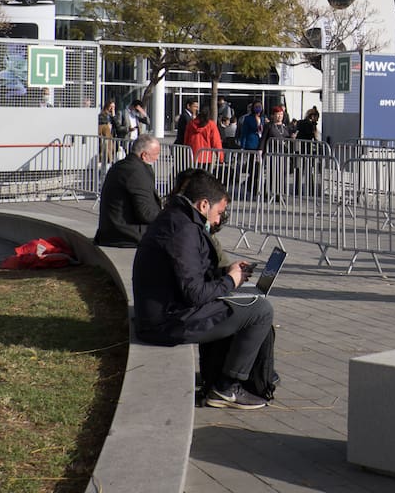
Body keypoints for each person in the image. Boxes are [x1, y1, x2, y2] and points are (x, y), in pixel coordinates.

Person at [132, 170, 275, 410]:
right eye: (219, 213)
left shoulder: (177, 218)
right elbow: (195, 294)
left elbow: (189, 275)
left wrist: (226, 273)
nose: (218, 221)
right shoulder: (184, 230)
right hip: (166, 322)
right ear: (204, 204)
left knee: (244, 304)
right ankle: (227, 387)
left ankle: (224, 377)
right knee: (260, 310)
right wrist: (230, 281)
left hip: (164, 312)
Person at [95, 133, 163, 247]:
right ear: (144, 155)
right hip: (126, 234)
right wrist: (169, 215)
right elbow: (146, 213)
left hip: (112, 231)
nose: (157, 158)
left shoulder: (120, 166)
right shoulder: (136, 173)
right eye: (156, 154)